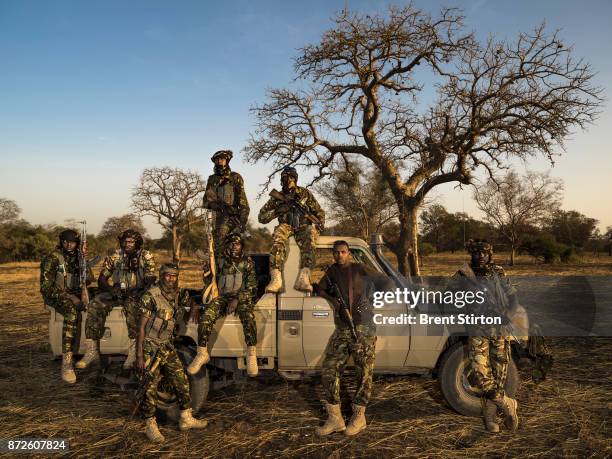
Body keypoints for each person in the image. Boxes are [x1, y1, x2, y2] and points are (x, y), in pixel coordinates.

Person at [314, 240, 390, 436]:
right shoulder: (331, 272)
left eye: (343, 252)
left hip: (364, 326)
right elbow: (320, 288)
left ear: (349, 253)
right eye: (336, 252)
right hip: (342, 328)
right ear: (333, 254)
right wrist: (333, 301)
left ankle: (359, 416)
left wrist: (371, 301)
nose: (340, 255)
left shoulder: (360, 268)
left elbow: (386, 282)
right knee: (329, 368)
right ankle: (335, 419)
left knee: (364, 371)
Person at [452, 239, 520, 433]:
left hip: (499, 330)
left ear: (490, 254)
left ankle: (490, 418)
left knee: (499, 376)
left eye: (484, 253)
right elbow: (447, 295)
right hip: (477, 331)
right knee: (481, 376)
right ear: (471, 254)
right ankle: (507, 404)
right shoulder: (463, 274)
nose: (480, 256)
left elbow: (512, 296)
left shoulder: (498, 272)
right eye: (476, 253)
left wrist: (509, 314)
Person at [135, 263, 208, 442]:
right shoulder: (150, 296)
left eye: (174, 276)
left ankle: (186, 418)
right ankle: (150, 426)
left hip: (167, 345)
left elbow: (190, 298)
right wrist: (139, 355)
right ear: (161, 275)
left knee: (181, 381)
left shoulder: (177, 293)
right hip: (151, 347)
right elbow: (141, 328)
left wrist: (194, 307)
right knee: (150, 388)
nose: (170, 279)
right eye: (167, 275)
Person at [77, 229, 156, 370]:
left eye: (131, 241)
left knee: (132, 307)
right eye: (125, 241)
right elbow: (102, 278)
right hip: (117, 291)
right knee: (95, 304)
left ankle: (132, 352)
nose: (127, 244)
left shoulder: (146, 255)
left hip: (137, 292)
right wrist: (110, 289)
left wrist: (139, 290)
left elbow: (150, 278)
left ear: (137, 242)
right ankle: (92, 350)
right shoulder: (115, 255)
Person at [188, 233, 259, 377]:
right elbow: (210, 284)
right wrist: (209, 266)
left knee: (249, 317)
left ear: (242, 246)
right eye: (231, 244)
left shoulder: (248, 262)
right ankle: (202, 353)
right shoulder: (219, 261)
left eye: (237, 244)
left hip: (240, 298)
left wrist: (237, 299)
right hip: (222, 297)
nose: (234, 247)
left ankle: (251, 354)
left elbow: (252, 287)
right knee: (206, 317)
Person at [258, 166, 325, 293]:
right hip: (286, 226)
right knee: (278, 235)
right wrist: (278, 210)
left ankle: (304, 278)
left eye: (291, 178)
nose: (288, 180)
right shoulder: (277, 197)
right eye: (285, 178)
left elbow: (319, 212)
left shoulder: (305, 194)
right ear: (282, 180)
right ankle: (276, 279)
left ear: (295, 179)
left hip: (303, 226)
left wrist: (320, 224)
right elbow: (261, 217)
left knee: (311, 234)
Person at [40, 229, 93, 384]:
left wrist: (83, 263)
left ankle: (91, 350)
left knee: (98, 302)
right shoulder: (53, 258)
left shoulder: (78, 256)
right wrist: (71, 297)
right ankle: (67, 363)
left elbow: (89, 279)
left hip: (75, 292)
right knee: (71, 312)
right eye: (66, 242)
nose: (69, 245)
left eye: (73, 242)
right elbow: (45, 287)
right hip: (56, 294)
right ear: (61, 242)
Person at [202, 149, 249, 258]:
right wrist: (214, 205)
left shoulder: (235, 177)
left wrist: (242, 221)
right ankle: (214, 272)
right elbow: (205, 201)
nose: (219, 162)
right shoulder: (212, 179)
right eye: (217, 159)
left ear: (227, 161)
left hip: (232, 218)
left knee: (234, 247)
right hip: (215, 219)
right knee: (213, 249)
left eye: (222, 159)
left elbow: (243, 202)